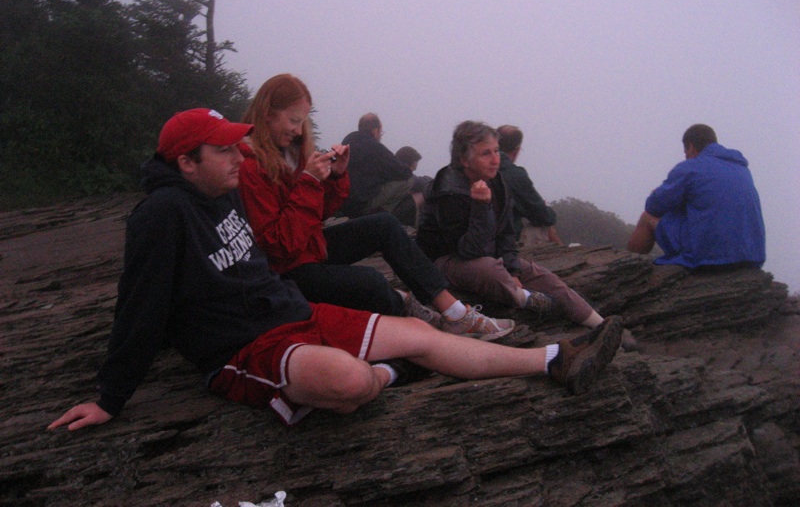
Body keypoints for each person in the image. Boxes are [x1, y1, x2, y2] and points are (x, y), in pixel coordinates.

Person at [47, 108, 625, 431]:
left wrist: (321, 180)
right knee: (350, 381)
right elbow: (140, 305)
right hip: (242, 347)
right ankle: (390, 374)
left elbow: (301, 229)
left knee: (421, 333)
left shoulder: (220, 189)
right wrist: (111, 397)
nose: (238, 155)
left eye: (237, 145)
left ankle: (554, 361)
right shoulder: (161, 216)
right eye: (224, 149)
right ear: (185, 162)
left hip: (290, 307)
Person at [237, 74, 514, 341]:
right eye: (293, 120)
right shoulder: (250, 167)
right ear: (268, 113)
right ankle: (423, 327)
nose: (298, 130)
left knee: (384, 224)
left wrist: (335, 177)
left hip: (309, 249)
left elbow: (317, 213)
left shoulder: (290, 153)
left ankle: (455, 313)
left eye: (303, 121)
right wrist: (309, 182)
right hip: (285, 271)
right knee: (371, 281)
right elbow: (278, 246)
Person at [416, 121, 634, 348]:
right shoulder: (449, 191)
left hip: (489, 255)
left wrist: (512, 268)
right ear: (464, 160)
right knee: (489, 270)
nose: (495, 159)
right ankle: (526, 299)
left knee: (540, 275)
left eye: (496, 152)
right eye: (485, 154)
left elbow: (506, 233)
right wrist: (481, 207)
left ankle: (601, 326)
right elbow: (469, 251)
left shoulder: (498, 182)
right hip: (445, 261)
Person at [627, 123, 766, 269]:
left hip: (710, 255)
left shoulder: (691, 167)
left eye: (685, 153)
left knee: (646, 218)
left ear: (691, 147)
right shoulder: (741, 168)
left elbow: (654, 206)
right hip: (751, 256)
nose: (686, 158)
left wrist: (655, 193)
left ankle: (627, 269)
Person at [340, 113, 416, 225]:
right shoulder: (375, 147)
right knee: (409, 180)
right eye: (381, 133)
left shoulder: (347, 141)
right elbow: (403, 172)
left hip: (343, 201)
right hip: (362, 203)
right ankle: (381, 214)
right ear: (375, 131)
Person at [497, 125, 562, 244]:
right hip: (503, 241)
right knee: (546, 227)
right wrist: (548, 211)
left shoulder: (474, 166)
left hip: (477, 237)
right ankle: (565, 257)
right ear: (516, 150)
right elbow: (542, 215)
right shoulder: (513, 174)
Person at [395, 145, 433, 224]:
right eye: (412, 169)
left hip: (393, 210)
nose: (412, 171)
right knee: (425, 193)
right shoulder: (402, 175)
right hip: (395, 212)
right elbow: (423, 183)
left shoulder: (393, 172)